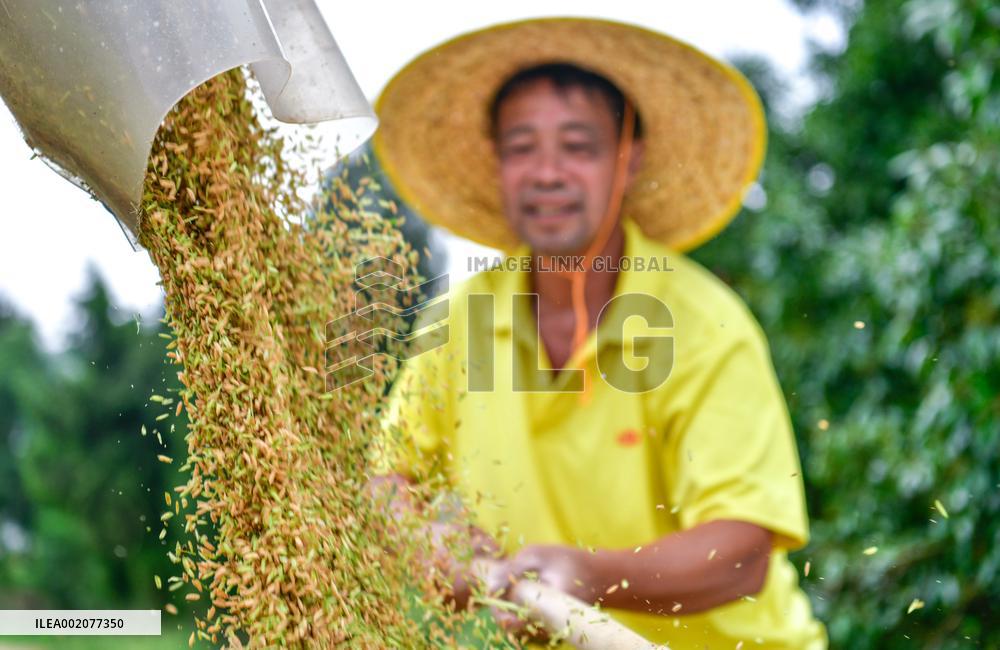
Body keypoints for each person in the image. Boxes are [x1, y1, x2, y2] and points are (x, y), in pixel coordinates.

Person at [367, 17, 827, 649]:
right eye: (522, 146)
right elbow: (390, 482)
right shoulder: (462, 320)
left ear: (627, 159)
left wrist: (589, 574)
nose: (547, 172)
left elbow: (742, 553)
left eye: (577, 146)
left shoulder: (702, 325)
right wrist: (429, 539)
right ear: (497, 164)